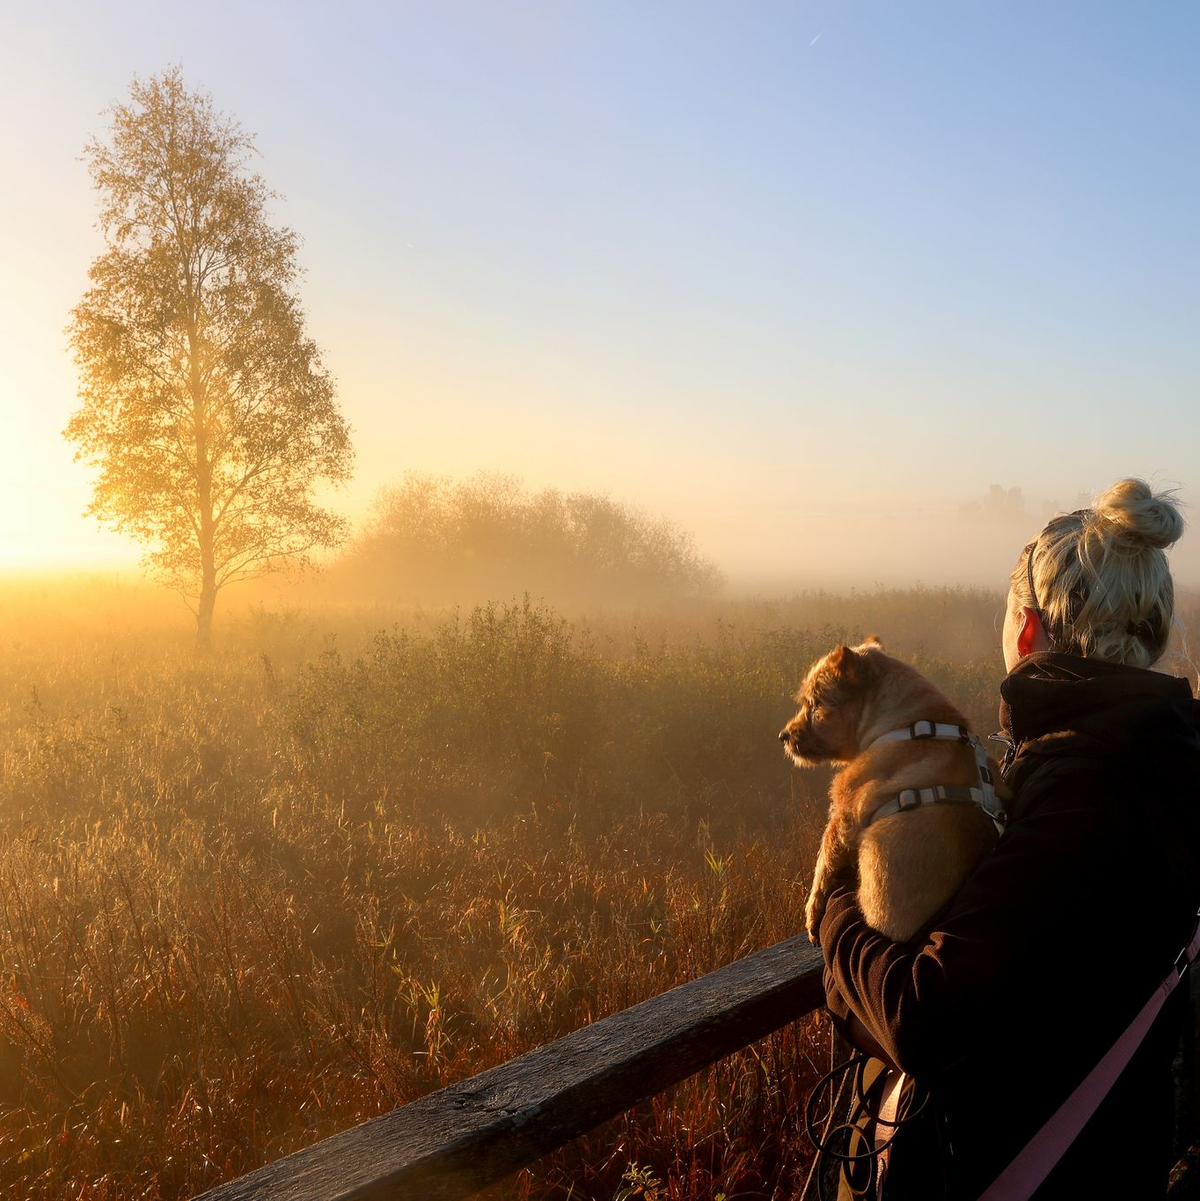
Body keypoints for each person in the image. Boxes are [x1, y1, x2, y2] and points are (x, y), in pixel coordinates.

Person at [817, 478, 1200, 1199]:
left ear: (1028, 630)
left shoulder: (1086, 788)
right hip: (1117, 1149)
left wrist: (837, 903)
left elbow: (921, 1015)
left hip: (1028, 1166)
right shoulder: (1164, 757)